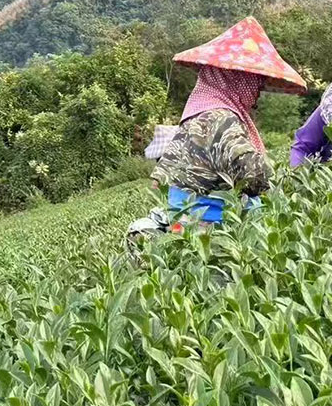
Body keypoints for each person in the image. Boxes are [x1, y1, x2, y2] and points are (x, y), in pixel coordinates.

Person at [127, 16, 306, 248]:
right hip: (210, 231)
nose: (257, 93)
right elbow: (253, 176)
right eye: (255, 83)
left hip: (186, 220)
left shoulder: (198, 111)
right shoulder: (218, 119)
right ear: (236, 79)